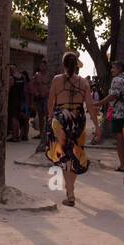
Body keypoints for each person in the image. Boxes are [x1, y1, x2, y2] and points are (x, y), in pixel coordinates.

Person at [45, 51, 94, 207]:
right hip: (78, 120)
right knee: (75, 154)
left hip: (60, 119)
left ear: (64, 65)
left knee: (64, 155)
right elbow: (90, 106)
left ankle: (70, 193)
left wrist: (50, 116)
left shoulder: (57, 80)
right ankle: (70, 191)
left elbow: (50, 102)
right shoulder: (84, 83)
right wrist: (97, 127)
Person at [105, 61, 124, 172]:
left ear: (119, 68)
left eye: (113, 68)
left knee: (120, 140)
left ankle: (122, 165)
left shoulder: (117, 80)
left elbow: (113, 95)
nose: (111, 70)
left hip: (118, 112)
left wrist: (99, 103)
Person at [30, 58, 50, 142]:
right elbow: (32, 85)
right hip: (39, 98)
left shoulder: (48, 75)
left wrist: (47, 92)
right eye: (40, 65)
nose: (41, 67)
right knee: (40, 116)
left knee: (47, 116)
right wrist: (35, 92)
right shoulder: (37, 75)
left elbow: (51, 85)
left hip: (46, 97)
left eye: (43, 65)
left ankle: (47, 133)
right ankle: (41, 133)